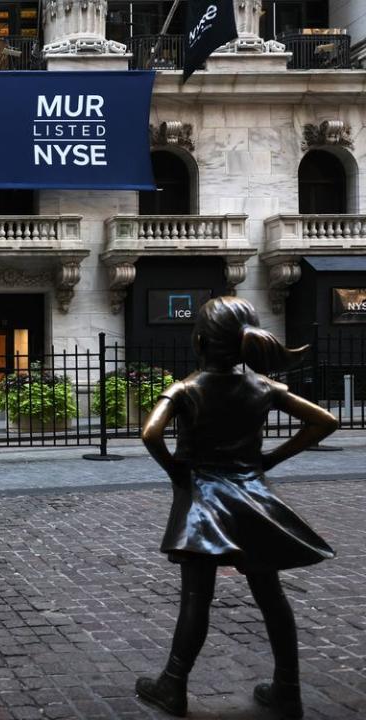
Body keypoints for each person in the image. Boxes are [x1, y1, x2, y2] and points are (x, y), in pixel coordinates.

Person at [135, 297, 338, 719]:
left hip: (203, 499)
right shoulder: (263, 387)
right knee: (271, 594)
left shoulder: (187, 387)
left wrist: (177, 472)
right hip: (253, 496)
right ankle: (287, 689)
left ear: (200, 341)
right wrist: (270, 460)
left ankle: (172, 684)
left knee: (197, 597)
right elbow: (325, 421)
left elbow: (151, 433)